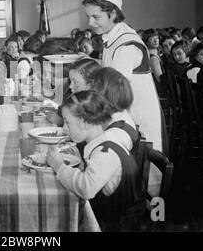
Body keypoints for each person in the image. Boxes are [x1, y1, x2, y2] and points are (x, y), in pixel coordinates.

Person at [82, 0, 167, 196]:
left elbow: (111, 92)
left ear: (113, 13)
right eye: (88, 17)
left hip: (139, 122)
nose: (90, 23)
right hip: (123, 118)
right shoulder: (113, 38)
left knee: (144, 183)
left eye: (95, 17)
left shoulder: (127, 44)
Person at [46, 90, 145, 231]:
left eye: (68, 123)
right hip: (112, 218)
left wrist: (60, 167)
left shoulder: (106, 152)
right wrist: (79, 161)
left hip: (120, 226)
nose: (64, 128)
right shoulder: (104, 140)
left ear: (84, 123)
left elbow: (87, 189)